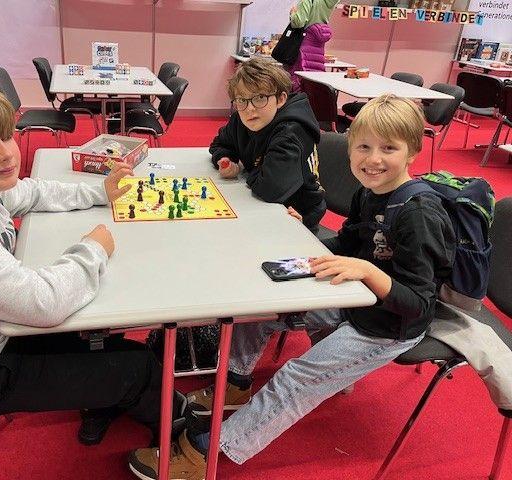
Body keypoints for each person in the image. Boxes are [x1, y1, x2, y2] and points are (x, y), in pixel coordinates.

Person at [127, 95, 456, 479]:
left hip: (388, 326)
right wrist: (301, 236)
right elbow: (345, 245)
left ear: (413, 151)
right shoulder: (369, 192)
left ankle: (207, 452)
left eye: (388, 149)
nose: (373, 159)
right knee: (261, 305)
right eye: (363, 147)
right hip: (355, 298)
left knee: (295, 378)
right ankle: (235, 383)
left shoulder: (418, 214)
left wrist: (367, 270)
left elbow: (418, 304)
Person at [0, 75, 186, 448]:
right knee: (139, 369)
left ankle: (105, 399)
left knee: (100, 328)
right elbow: (42, 303)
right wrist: (92, 249)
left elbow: (31, 191)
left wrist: (99, 192)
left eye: (5, 135)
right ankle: (181, 442)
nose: (7, 153)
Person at [208, 57, 325, 234]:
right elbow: (220, 143)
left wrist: (249, 170)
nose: (250, 108)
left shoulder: (291, 132)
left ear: (280, 99)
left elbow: (271, 189)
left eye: (260, 98)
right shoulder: (242, 117)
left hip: (297, 216)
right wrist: (226, 159)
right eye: (241, 100)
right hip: (259, 206)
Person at [287, 0, 339, 92]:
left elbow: (298, 22)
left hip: (304, 43)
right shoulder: (329, 1)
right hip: (318, 45)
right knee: (314, 78)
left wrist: (293, 14)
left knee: (299, 79)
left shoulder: (307, 1)